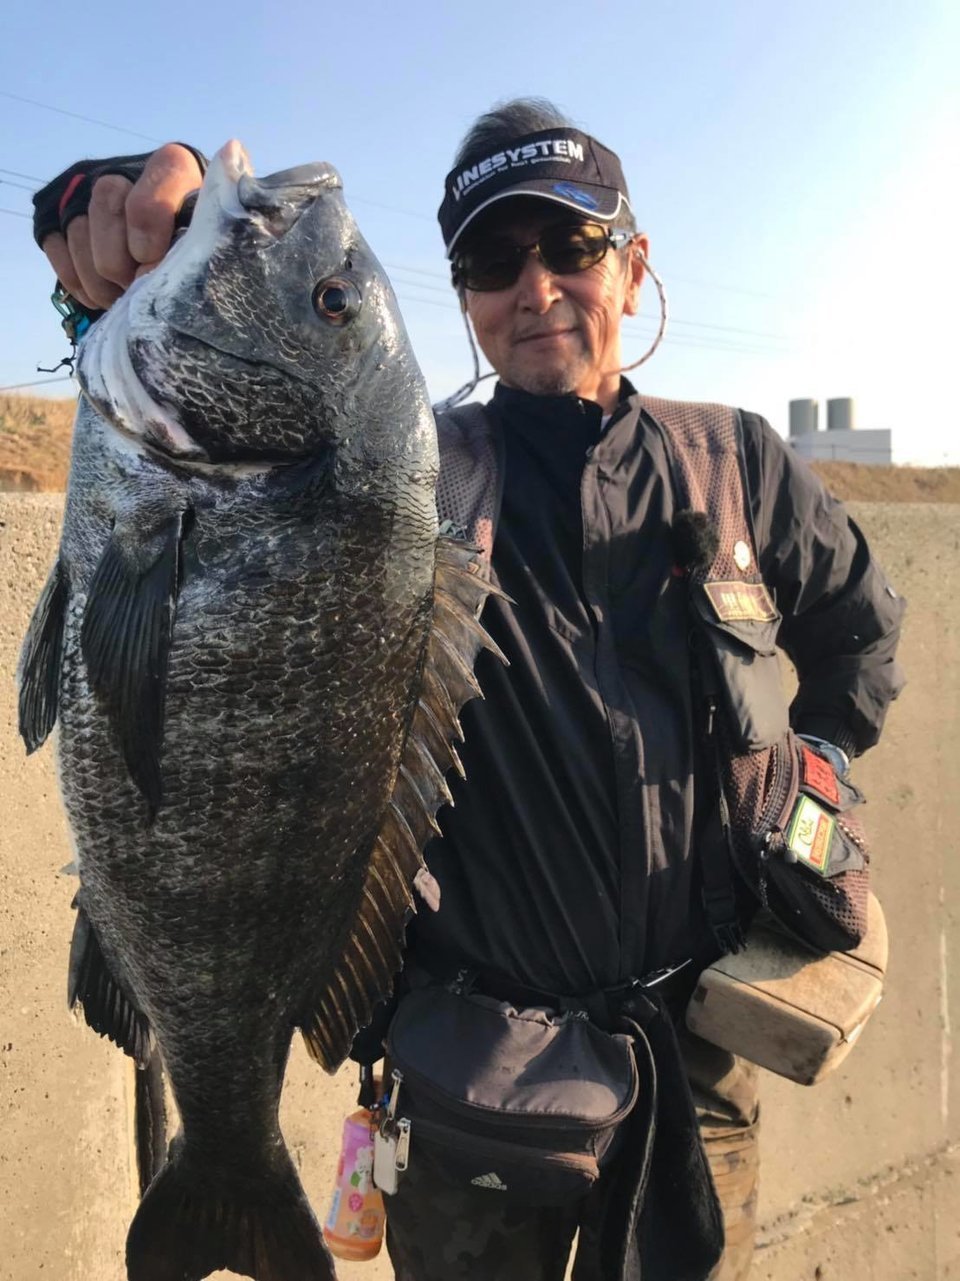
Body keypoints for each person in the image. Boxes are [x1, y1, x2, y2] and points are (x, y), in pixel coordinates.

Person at [34, 98, 904, 1280]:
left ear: (633, 266)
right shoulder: (411, 478)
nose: (536, 284)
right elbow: (216, 447)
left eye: (571, 245)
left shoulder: (742, 458)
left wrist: (818, 770)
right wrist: (109, 227)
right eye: (495, 260)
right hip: (466, 1087)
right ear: (463, 302)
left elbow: (862, 635)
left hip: (689, 1079)